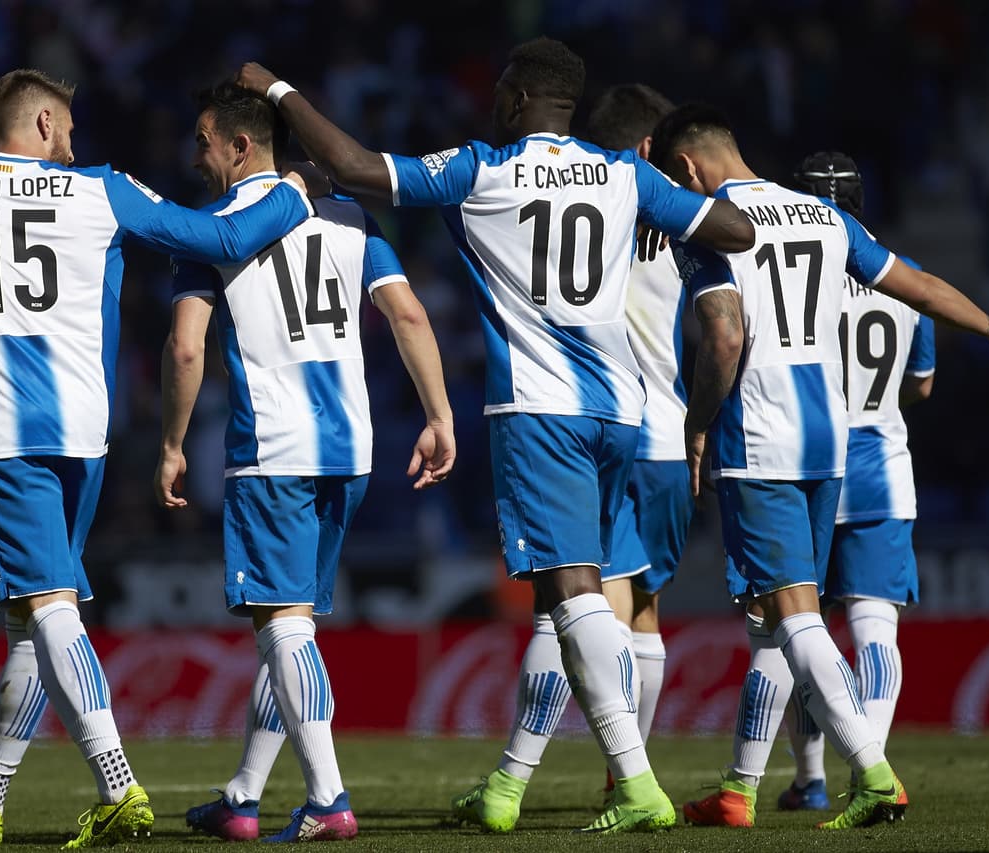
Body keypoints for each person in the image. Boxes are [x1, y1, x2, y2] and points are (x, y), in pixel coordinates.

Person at [236, 37, 757, 834]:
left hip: (541, 410)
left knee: (573, 591)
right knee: (574, 593)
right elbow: (735, 230)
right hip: (621, 411)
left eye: (498, 93)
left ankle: (635, 781)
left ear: (517, 100)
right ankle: (519, 781)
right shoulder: (624, 174)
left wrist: (275, 89)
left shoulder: (483, 168)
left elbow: (356, 166)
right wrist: (664, 219)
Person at [0, 68, 317, 849]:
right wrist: (292, 195)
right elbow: (223, 239)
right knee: (33, 615)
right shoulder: (103, 189)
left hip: (0, 434)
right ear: (44, 124)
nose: (74, 138)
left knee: (46, 605)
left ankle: (118, 782)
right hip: (84, 434)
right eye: (67, 125)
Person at [649, 104, 989, 831]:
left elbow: (724, 338)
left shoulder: (706, 228)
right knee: (789, 618)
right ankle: (739, 788)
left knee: (792, 615)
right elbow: (920, 288)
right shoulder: (825, 219)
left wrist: (696, 424)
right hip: (829, 442)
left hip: (760, 437)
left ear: (686, 168)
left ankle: (873, 774)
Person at [152, 81, 454, 843]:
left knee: (283, 627)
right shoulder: (351, 217)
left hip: (273, 447)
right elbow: (408, 312)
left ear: (240, 145)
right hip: (349, 448)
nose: (196, 156)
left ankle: (327, 798)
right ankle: (243, 795)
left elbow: (186, 347)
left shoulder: (209, 231)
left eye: (203, 141)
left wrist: (172, 443)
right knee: (290, 626)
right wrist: (438, 414)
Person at [436, 82, 697, 828]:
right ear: (646, 150)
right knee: (634, 615)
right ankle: (583, 779)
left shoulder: (581, 201)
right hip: (659, 433)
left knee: (569, 607)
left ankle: (595, 781)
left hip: (584, 419)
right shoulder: (657, 213)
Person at [774, 152, 935, 811]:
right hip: (881, 474)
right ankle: (872, 768)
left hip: (808, 465)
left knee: (800, 632)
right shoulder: (907, 276)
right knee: (876, 635)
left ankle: (811, 778)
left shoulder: (793, 276)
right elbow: (922, 384)